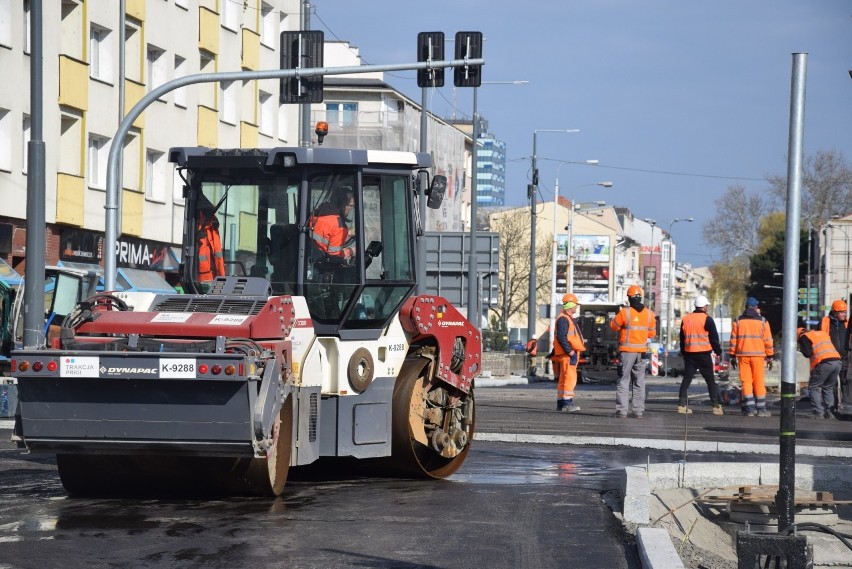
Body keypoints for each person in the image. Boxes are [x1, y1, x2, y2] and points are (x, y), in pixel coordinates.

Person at [610, 284, 656, 419]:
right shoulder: (649, 314)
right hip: (641, 352)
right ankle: (638, 411)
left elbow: (614, 326)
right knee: (639, 382)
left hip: (627, 351)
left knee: (624, 381)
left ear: (629, 298)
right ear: (640, 297)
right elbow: (652, 334)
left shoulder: (625, 312)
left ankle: (622, 411)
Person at [677, 295, 724, 416]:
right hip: (704, 354)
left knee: (686, 380)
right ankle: (716, 406)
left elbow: (682, 339)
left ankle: (682, 405)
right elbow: (714, 338)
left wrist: (683, 351)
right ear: (704, 307)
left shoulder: (686, 319)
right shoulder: (707, 319)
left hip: (689, 354)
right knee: (710, 381)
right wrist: (718, 351)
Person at [729, 297, 774, 417]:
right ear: (756, 308)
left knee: (746, 382)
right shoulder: (763, 321)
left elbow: (734, 340)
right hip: (758, 356)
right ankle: (761, 409)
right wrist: (770, 357)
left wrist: (732, 356)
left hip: (742, 355)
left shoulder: (737, 321)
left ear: (745, 307)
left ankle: (750, 409)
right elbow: (768, 341)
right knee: (758, 381)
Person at [550, 293, 586, 413]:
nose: (576, 307)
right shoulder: (564, 319)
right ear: (571, 306)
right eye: (575, 305)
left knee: (564, 378)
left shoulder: (565, 318)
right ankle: (567, 404)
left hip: (566, 354)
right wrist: (571, 352)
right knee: (569, 378)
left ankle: (561, 403)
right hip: (568, 354)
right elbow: (562, 337)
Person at [798, 327, 842, 419]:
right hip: (837, 361)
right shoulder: (822, 333)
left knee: (814, 387)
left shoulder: (804, 336)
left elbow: (808, 353)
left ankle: (818, 412)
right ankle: (830, 412)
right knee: (828, 387)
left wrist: (801, 349)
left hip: (824, 363)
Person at [310, 186, 356, 264]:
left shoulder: (318, 214)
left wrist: (348, 233)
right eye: (352, 206)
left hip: (311, 255)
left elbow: (325, 236)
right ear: (344, 205)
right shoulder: (339, 225)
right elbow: (334, 257)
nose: (351, 208)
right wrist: (350, 251)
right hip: (320, 264)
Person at [820, 299, 848, 410]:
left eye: (845, 312)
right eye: (842, 312)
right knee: (831, 385)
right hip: (829, 359)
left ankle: (846, 405)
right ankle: (832, 407)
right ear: (835, 313)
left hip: (845, 358)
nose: (844, 314)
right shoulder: (824, 322)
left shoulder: (847, 323)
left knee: (845, 383)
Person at [197, 199, 225, 283]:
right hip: (202, 280)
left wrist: (222, 279)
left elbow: (218, 256)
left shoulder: (213, 226)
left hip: (210, 279)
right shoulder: (197, 227)